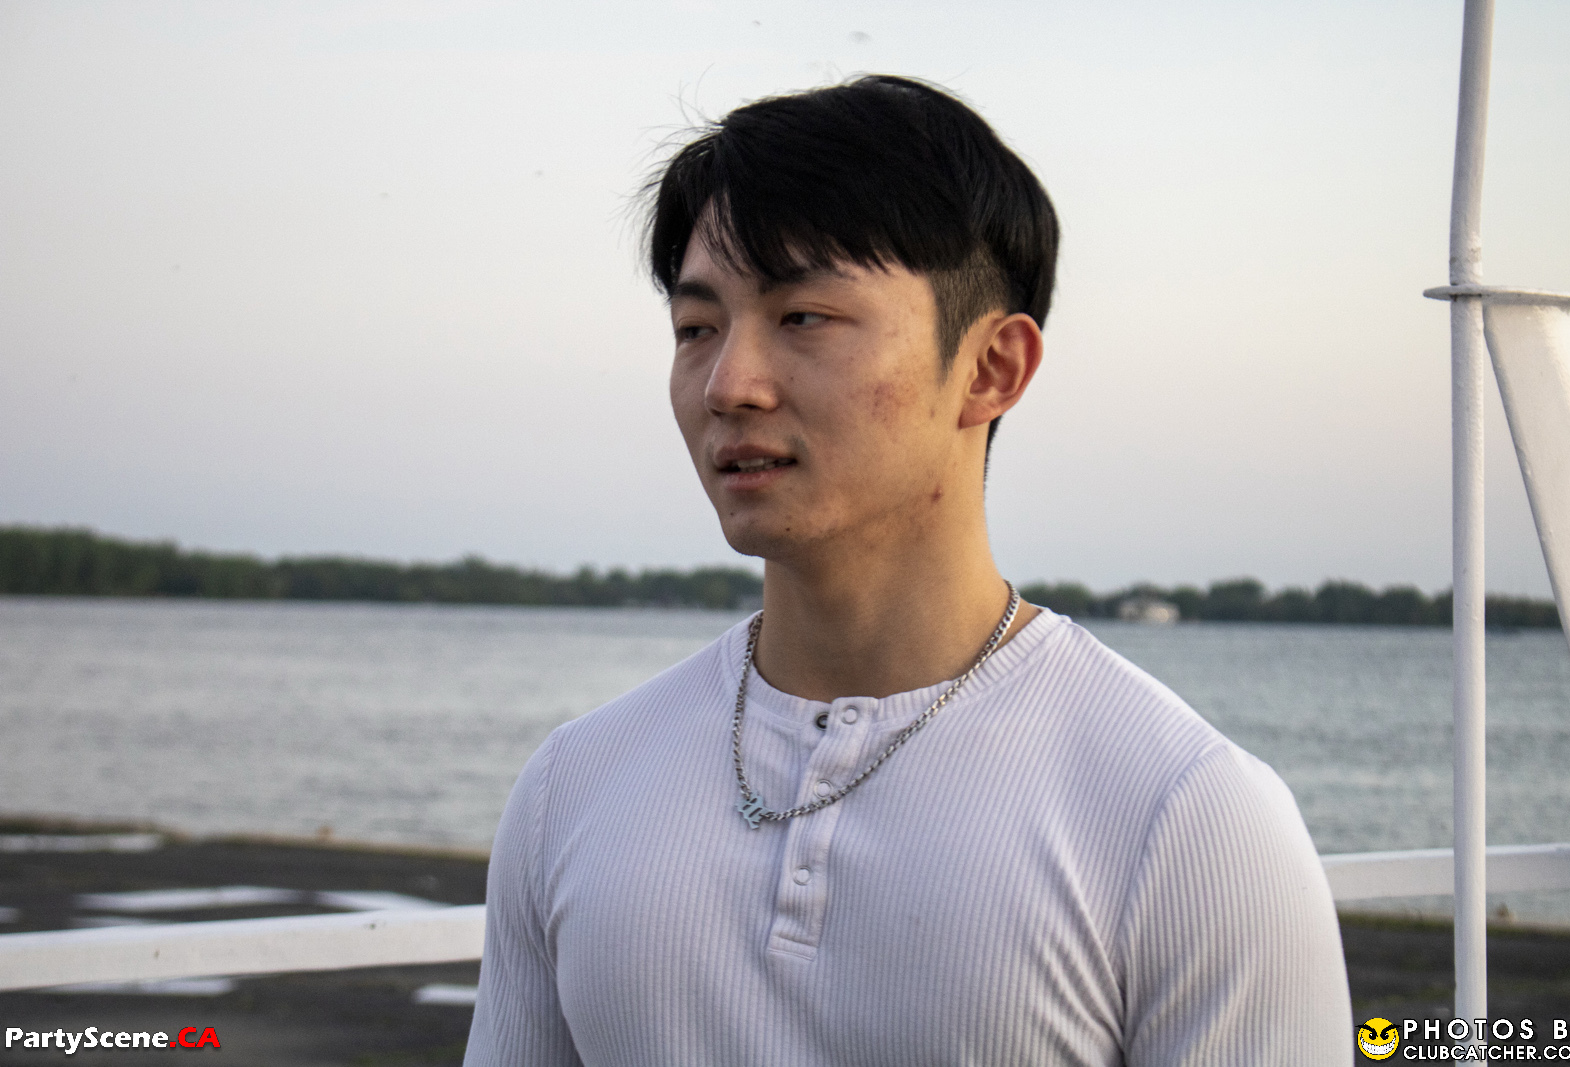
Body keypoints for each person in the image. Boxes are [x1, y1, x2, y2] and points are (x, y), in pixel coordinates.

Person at [464, 75, 1351, 1066]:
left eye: (804, 317)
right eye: (696, 328)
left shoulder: (1184, 816)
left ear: (990, 369)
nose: (728, 384)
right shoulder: (576, 784)